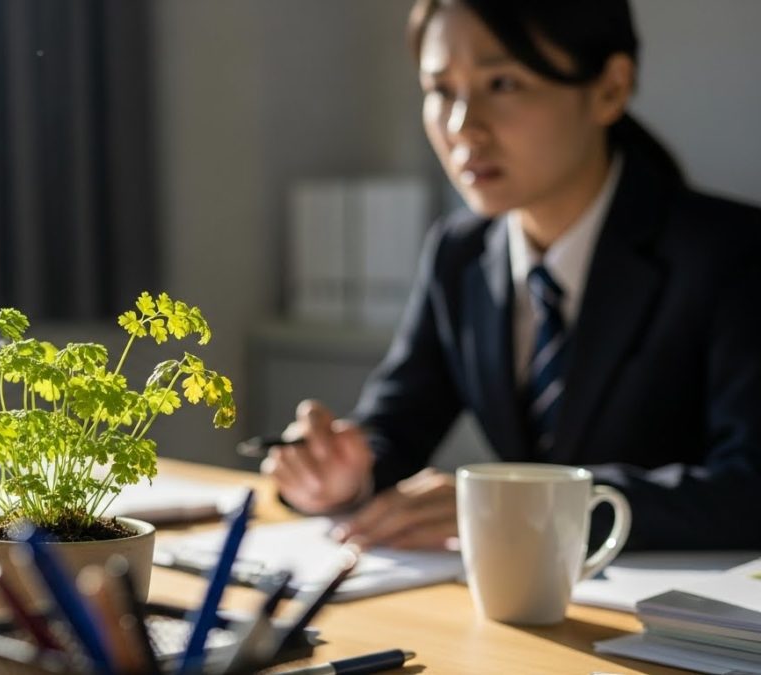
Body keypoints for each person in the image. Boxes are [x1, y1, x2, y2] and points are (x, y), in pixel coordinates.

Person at [263, 0, 761, 551]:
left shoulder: (734, 255)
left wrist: (517, 504)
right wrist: (341, 475)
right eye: (441, 90)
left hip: (688, 623)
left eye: (502, 83)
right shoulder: (460, 252)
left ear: (610, 89)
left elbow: (750, 487)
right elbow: (397, 423)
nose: (462, 128)